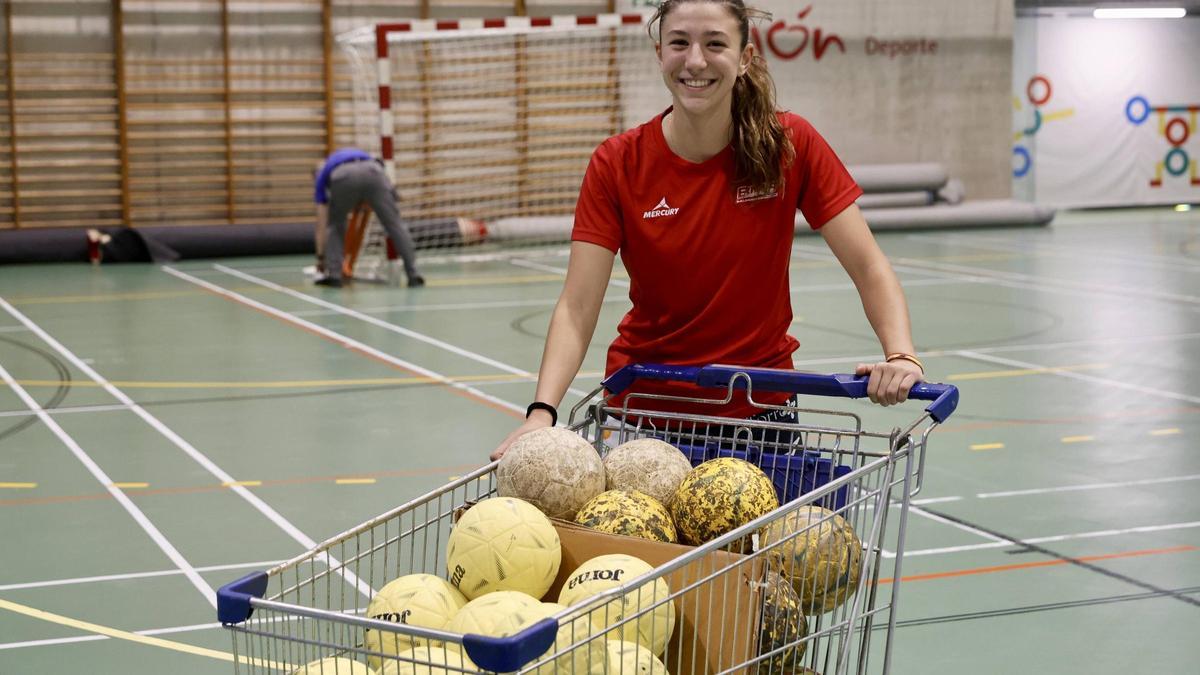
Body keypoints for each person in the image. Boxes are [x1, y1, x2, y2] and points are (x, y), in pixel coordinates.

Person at [491, 0, 924, 460]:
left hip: (761, 412)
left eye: (715, 44)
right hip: (646, 415)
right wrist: (542, 411)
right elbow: (577, 307)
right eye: (680, 43)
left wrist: (901, 355)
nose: (695, 60)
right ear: (660, 53)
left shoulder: (789, 146)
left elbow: (869, 265)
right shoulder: (617, 162)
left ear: (744, 58)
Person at [312, 148, 424, 288]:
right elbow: (381, 171)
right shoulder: (356, 154)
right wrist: (392, 195)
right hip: (374, 172)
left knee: (336, 226)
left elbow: (322, 224)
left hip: (343, 177)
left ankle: (334, 275)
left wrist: (321, 258)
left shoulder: (322, 174)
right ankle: (414, 274)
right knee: (395, 225)